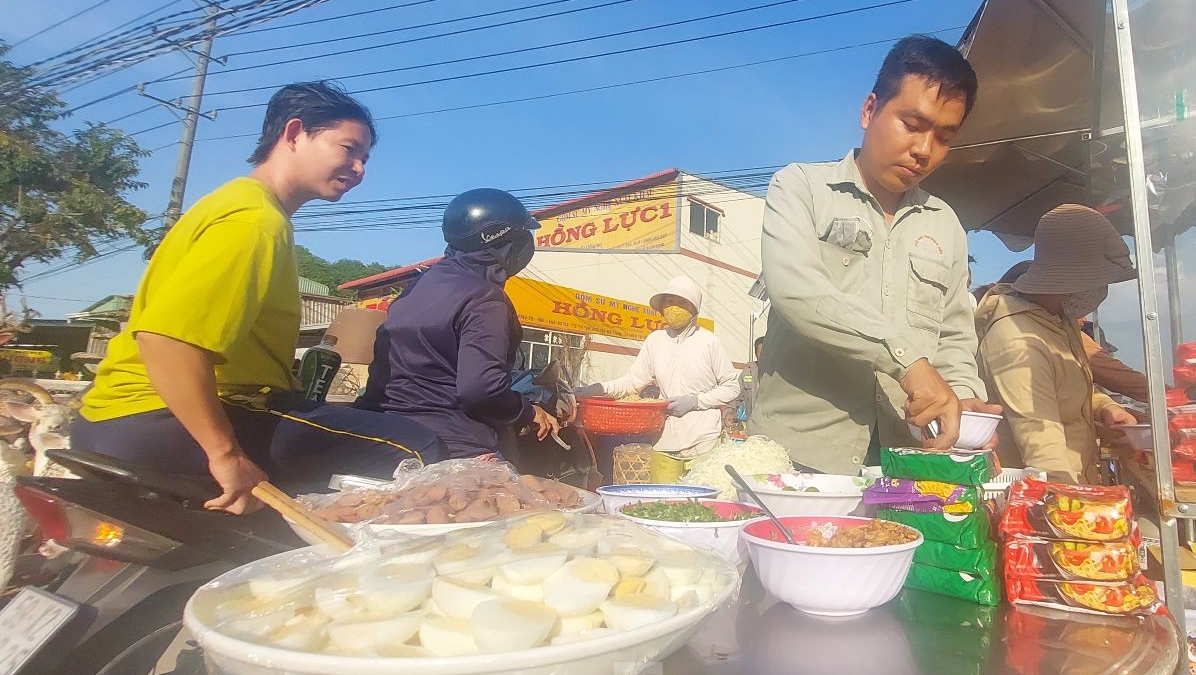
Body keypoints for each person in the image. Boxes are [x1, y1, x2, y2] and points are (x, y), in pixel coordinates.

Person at [74, 82, 444, 513]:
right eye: (348, 149)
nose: (359, 167)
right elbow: (167, 340)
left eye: (365, 158)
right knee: (418, 448)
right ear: (293, 134)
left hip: (115, 420)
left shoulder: (237, 205)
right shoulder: (254, 220)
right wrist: (225, 454)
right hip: (157, 419)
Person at [750, 35, 996, 473]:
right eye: (912, 124)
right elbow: (797, 293)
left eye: (943, 136)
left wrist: (962, 396)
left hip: (912, 456)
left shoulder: (946, 225)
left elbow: (955, 334)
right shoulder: (800, 188)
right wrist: (907, 361)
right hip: (800, 459)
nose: (924, 150)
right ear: (869, 111)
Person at [358, 188, 559, 458]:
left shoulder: (415, 289)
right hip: (455, 450)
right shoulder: (485, 297)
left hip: (390, 439)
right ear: (503, 241)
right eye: (523, 236)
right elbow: (482, 391)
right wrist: (528, 411)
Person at [974, 205, 1138, 483]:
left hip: (1081, 480)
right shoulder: (1017, 341)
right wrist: (1074, 508)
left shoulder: (1059, 321)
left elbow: (1064, 390)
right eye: (1098, 280)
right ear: (1074, 279)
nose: (1102, 291)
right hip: (1048, 495)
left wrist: (1105, 407)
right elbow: (1041, 449)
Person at [576, 276, 740, 459]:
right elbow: (632, 382)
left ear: (694, 308)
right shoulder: (655, 340)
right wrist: (596, 389)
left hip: (703, 441)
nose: (674, 307)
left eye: (682, 302)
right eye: (670, 301)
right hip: (664, 440)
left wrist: (696, 401)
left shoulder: (709, 342)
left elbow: (731, 387)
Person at [996, 261, 1150, 403]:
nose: (1083, 316)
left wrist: (1105, 408)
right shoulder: (1043, 334)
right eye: (1072, 296)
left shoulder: (1005, 324)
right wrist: (1162, 396)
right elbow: (1116, 374)